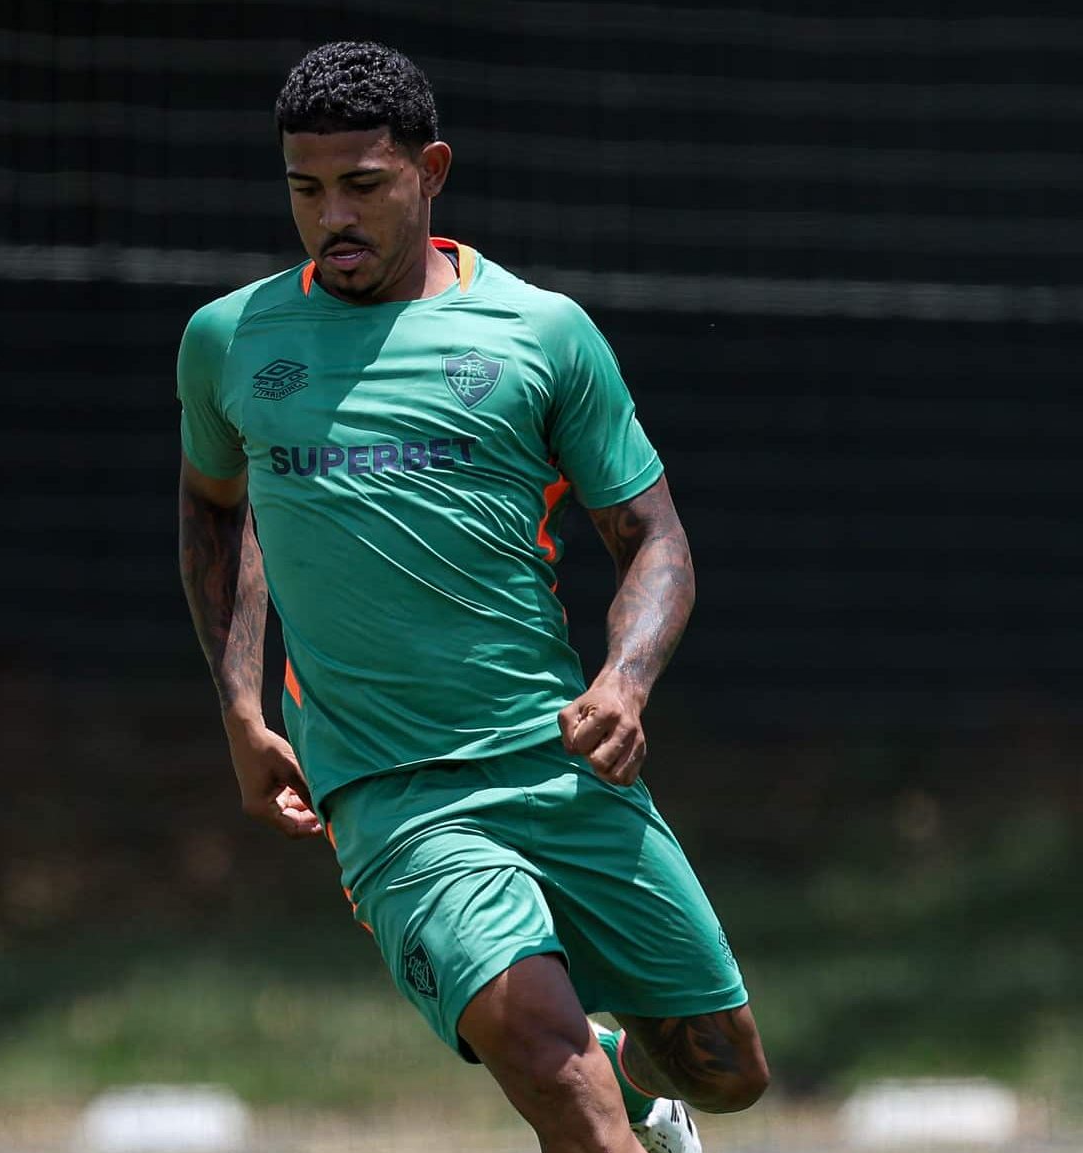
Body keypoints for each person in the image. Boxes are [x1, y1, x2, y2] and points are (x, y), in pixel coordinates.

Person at [174, 41, 767, 1153]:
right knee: (547, 1055)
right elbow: (218, 506)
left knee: (726, 1065)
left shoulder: (540, 334)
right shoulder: (231, 341)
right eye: (306, 190)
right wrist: (242, 711)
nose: (331, 217)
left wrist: (625, 682)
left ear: (430, 169)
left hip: (551, 753)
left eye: (363, 185)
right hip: (391, 790)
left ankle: (656, 1095)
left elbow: (656, 540)